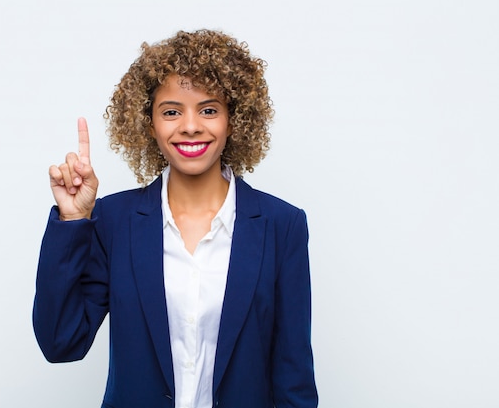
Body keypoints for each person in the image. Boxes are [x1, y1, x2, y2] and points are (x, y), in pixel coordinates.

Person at [33, 29, 318, 408]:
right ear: (149, 124)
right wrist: (73, 222)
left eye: (209, 109)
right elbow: (60, 342)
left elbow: (292, 372)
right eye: (171, 111)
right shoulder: (114, 221)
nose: (189, 126)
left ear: (234, 120)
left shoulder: (282, 224)